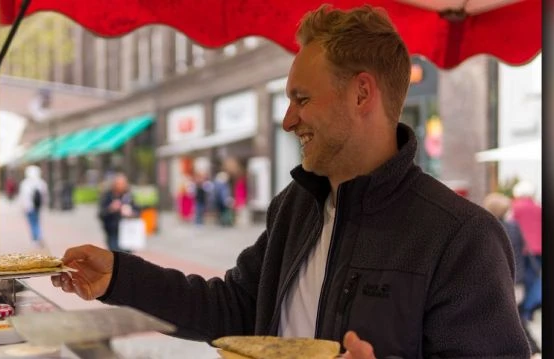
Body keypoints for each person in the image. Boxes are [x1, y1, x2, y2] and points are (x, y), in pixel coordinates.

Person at [53, 5, 529, 358]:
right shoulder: (295, 206)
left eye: (301, 98)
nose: (287, 120)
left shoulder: (462, 237)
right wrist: (121, 277)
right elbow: (235, 307)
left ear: (362, 92)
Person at [483, 193, 541, 355]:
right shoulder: (513, 227)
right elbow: (523, 250)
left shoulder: (487, 230)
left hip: (500, 280)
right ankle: (531, 348)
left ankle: (530, 348)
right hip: (517, 279)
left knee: (511, 320)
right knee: (515, 317)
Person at [511, 181, 542, 322]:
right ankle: (529, 309)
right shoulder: (538, 208)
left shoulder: (515, 208)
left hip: (523, 249)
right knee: (534, 279)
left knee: (522, 279)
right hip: (538, 249)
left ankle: (523, 310)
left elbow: (511, 227)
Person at [97, 174, 136, 253]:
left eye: (123, 184)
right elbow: (101, 214)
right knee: (115, 255)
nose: (121, 186)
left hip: (127, 232)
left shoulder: (128, 196)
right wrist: (111, 208)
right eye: (118, 184)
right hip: (112, 232)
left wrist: (131, 213)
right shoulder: (108, 196)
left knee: (127, 256)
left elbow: (137, 210)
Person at [18, 165, 48, 246]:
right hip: (37, 206)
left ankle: (36, 238)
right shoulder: (41, 182)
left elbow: (23, 196)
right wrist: (43, 205)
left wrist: (23, 207)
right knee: (37, 222)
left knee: (32, 223)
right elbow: (45, 195)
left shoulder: (25, 183)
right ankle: (39, 236)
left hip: (29, 207)